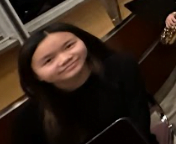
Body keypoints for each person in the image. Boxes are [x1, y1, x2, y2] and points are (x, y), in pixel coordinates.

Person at [13, 23, 157, 144]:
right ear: (36, 76)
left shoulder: (122, 67)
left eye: (69, 46)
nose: (65, 59)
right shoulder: (29, 117)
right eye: (48, 60)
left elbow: (140, 126)